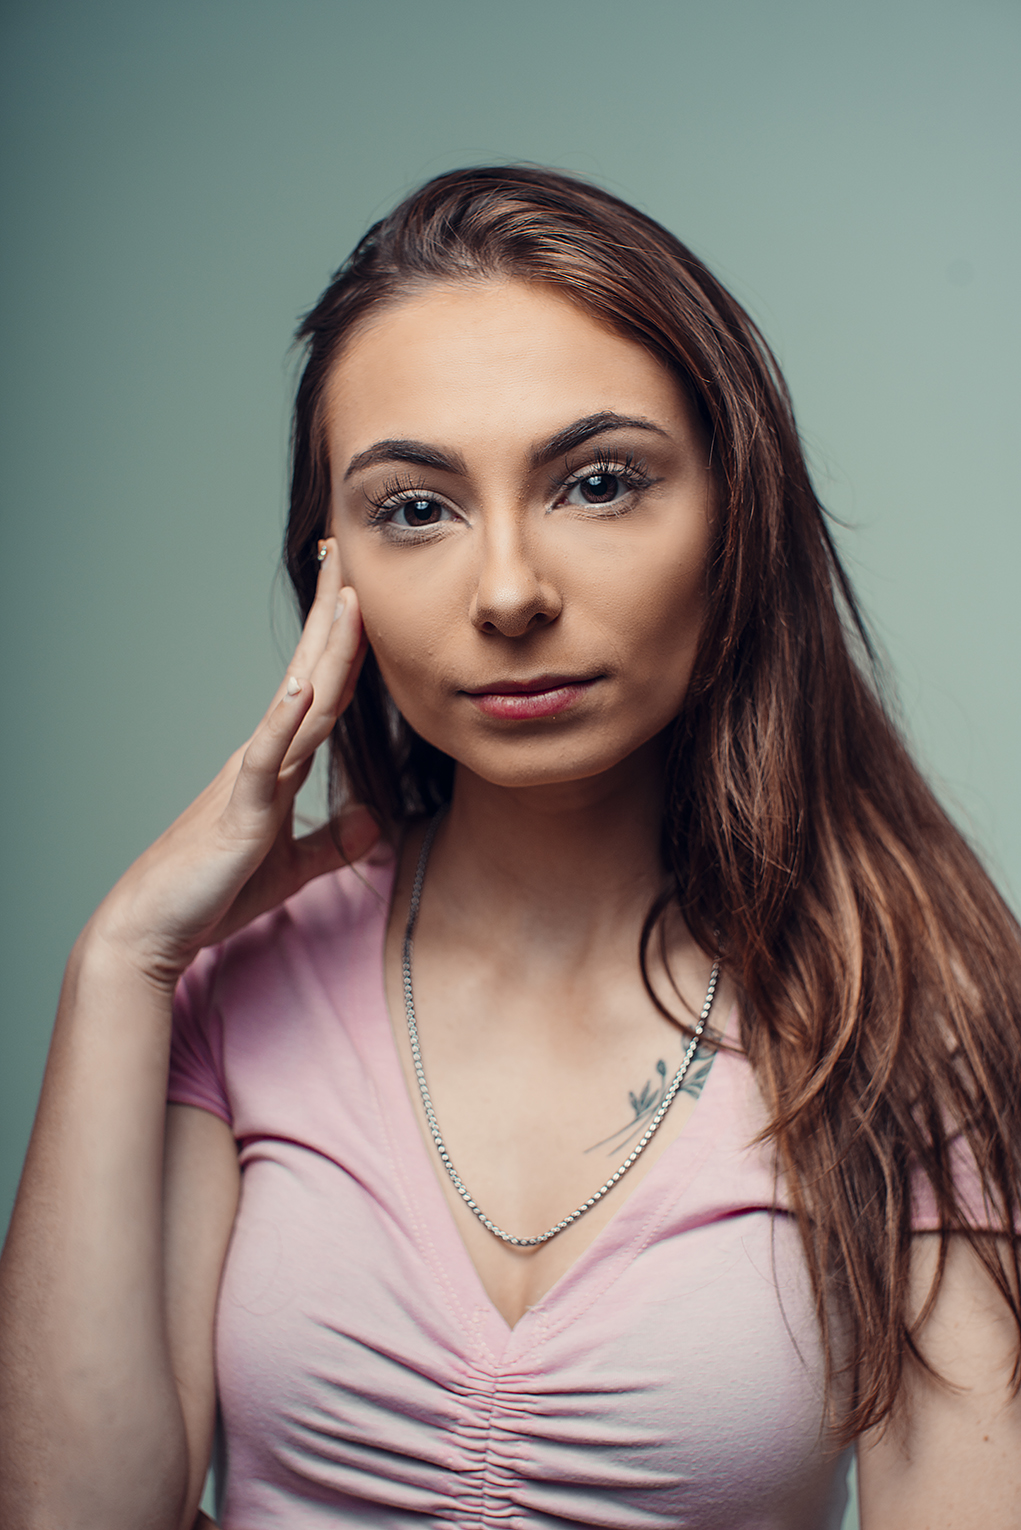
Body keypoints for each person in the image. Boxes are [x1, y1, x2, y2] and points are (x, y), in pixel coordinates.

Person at [1, 166, 1019, 1530]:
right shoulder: (233, 978)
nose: (506, 592)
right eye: (415, 507)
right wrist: (119, 959)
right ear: (335, 576)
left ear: (735, 514)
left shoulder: (912, 1010)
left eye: (597, 483)